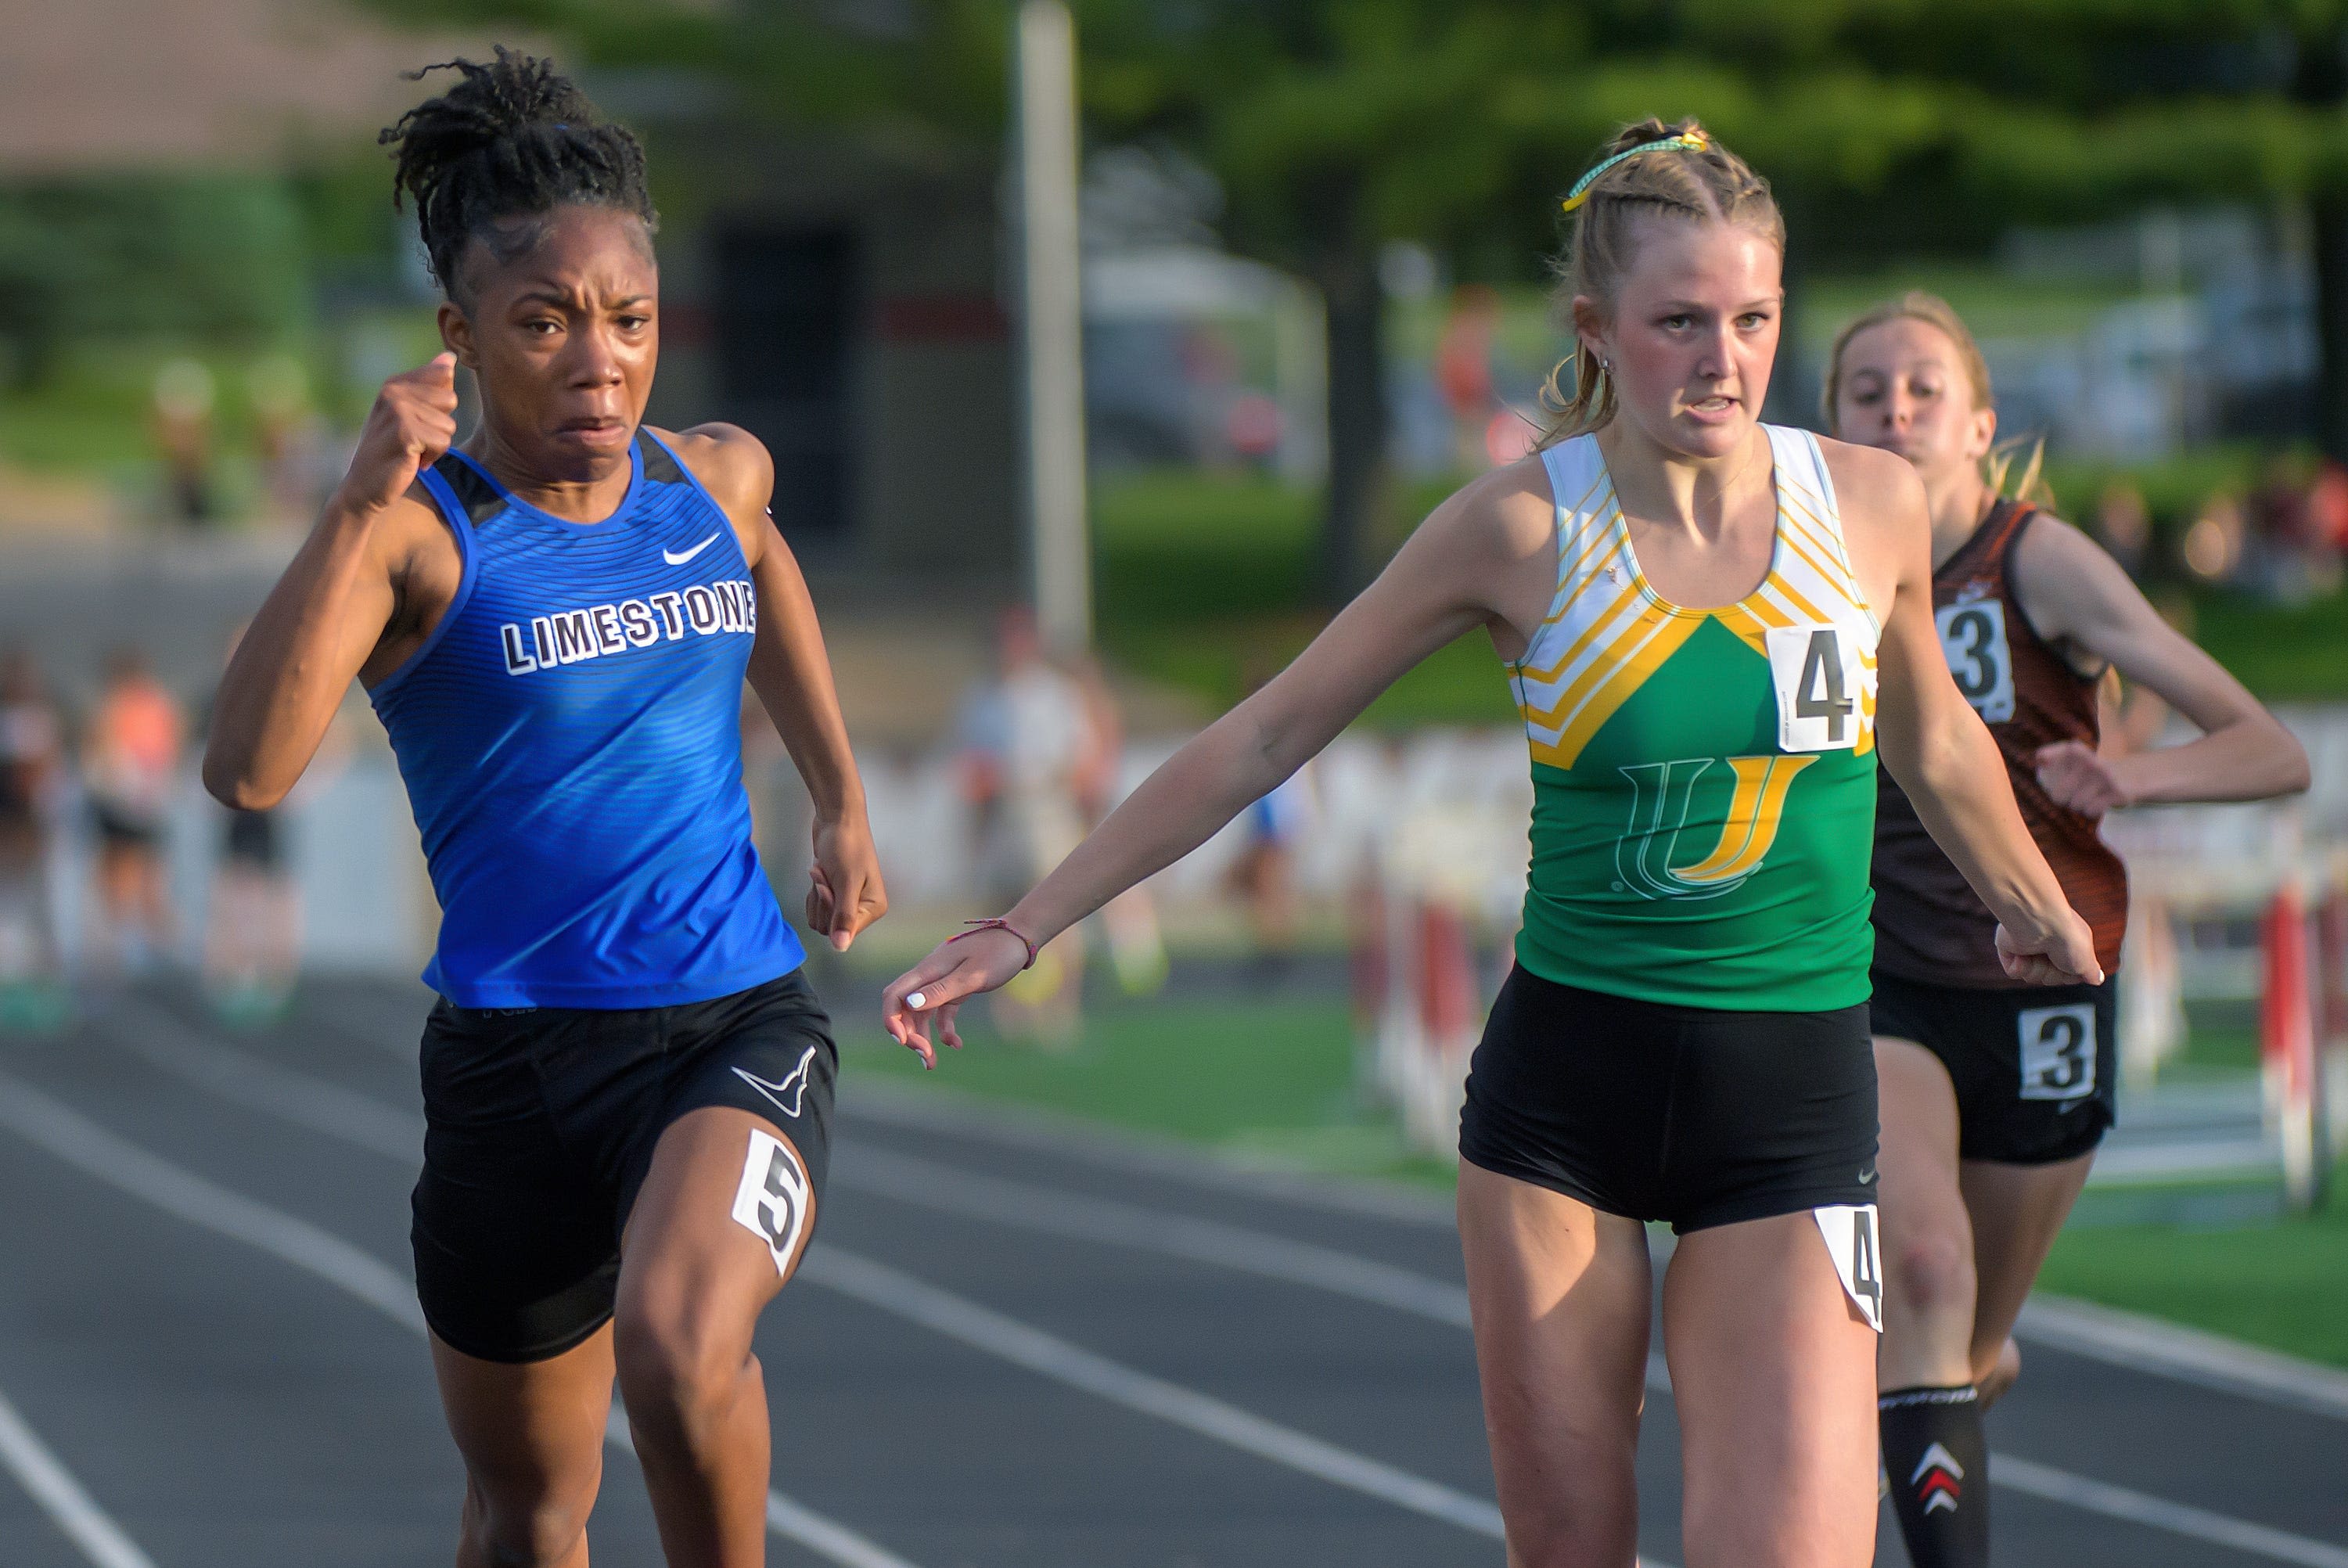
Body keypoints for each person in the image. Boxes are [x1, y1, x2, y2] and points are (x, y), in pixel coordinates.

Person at [884, 119, 2098, 1566]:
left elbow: (1936, 738)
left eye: (1755, 318)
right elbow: (1269, 735)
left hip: (1792, 1098)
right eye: (1679, 322)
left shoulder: (1871, 505)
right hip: (1564, 1113)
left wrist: (2034, 901)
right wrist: (1033, 917)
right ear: (1597, 329)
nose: (1723, 356)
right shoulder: (1520, 527)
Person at [203, 50, 886, 1568]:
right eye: (547, 323)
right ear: (460, 338)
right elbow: (244, 770)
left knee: (678, 1341)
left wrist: (840, 796)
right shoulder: (420, 544)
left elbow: (763, 569)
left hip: (728, 1028)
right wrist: (352, 502)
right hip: (509, 1071)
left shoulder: (711, 480)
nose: (600, 360)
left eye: (629, 321)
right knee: (529, 1513)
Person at [1824, 290, 2308, 1568]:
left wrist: (2135, 775)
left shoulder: (2036, 560)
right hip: (1882, 980)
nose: (1895, 409)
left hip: (2051, 979)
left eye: (1923, 387)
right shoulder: (1804, 561)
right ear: (1827, 426)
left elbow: (2271, 747)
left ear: (1978, 422)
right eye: (1865, 390)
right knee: (1920, 1270)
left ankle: (1961, 1366)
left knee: (1965, 1339)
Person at [84, 647, 185, 976]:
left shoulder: (123, 707)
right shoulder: (153, 706)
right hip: (135, 804)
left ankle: (138, 948)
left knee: (130, 875)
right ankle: (137, 947)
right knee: (134, 875)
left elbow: (105, 756)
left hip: (131, 804)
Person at [0, 649, 66, 1012]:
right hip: (12, 822)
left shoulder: (39, 719)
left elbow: (45, 774)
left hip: (30, 823)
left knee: (39, 902)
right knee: (13, 902)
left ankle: (40, 976)